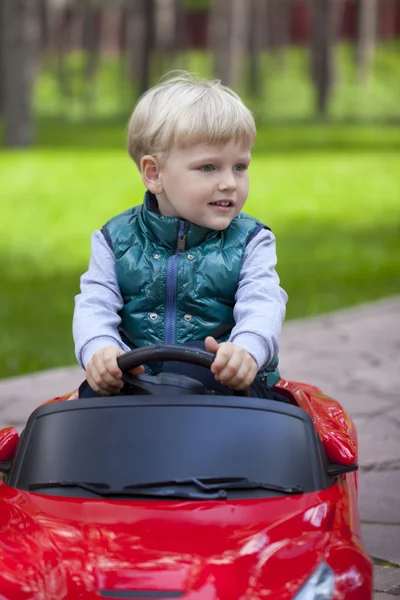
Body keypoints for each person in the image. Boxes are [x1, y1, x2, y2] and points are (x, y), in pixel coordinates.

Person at [73, 72, 288, 398]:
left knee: (189, 370)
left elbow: (263, 303)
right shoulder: (114, 240)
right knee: (93, 393)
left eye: (240, 167)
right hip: (137, 377)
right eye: (209, 167)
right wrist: (100, 350)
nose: (229, 182)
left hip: (225, 382)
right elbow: (95, 305)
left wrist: (247, 350)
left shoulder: (250, 241)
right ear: (154, 173)